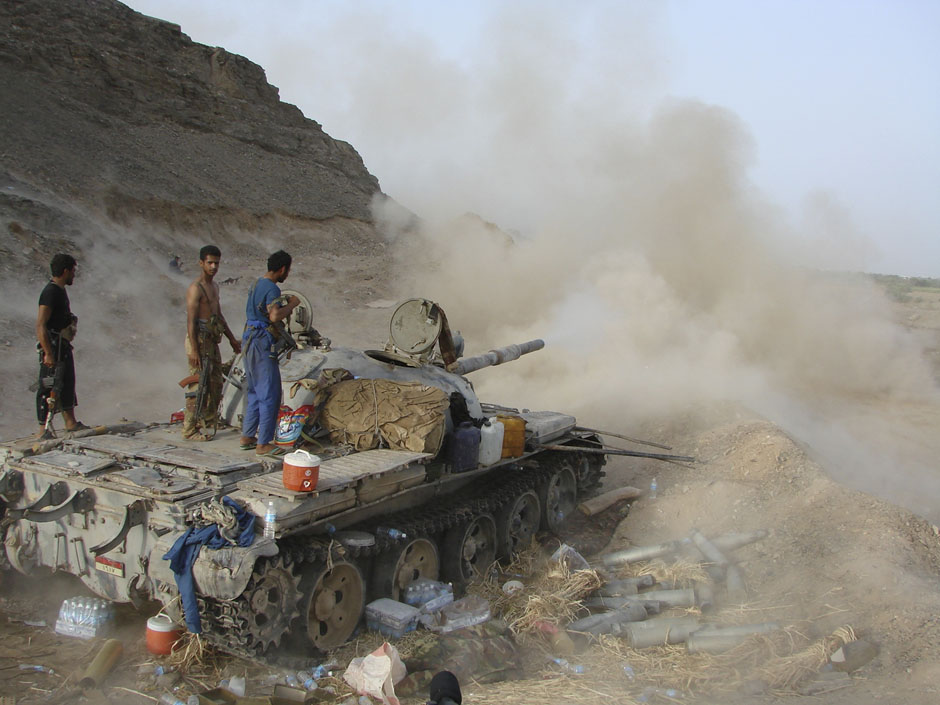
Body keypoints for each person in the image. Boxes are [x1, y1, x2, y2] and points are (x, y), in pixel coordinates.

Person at [239, 250, 300, 454]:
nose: (287, 274)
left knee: (254, 390)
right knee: (270, 393)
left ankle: (247, 435)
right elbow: (274, 316)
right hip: (261, 342)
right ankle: (263, 443)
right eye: (287, 270)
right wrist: (291, 304)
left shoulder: (256, 283)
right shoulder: (272, 289)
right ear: (282, 269)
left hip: (248, 338)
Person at [183, 245, 241, 441]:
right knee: (197, 385)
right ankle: (189, 429)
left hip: (211, 339)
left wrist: (232, 339)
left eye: (216, 263)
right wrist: (193, 350)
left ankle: (207, 420)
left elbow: (218, 315)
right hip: (198, 338)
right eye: (210, 262)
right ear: (201, 263)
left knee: (216, 383)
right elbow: (190, 321)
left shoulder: (214, 286)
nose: (214, 266)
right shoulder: (195, 289)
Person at [36, 253, 85, 437]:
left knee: (66, 382)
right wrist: (48, 352)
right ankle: (43, 429)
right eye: (72, 271)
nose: (74, 275)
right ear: (65, 271)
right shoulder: (50, 292)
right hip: (53, 347)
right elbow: (41, 324)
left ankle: (70, 422)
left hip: (61, 346)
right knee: (49, 386)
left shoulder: (59, 291)